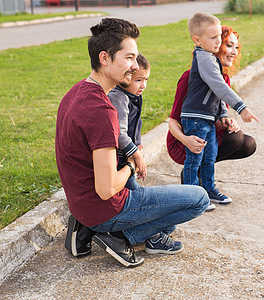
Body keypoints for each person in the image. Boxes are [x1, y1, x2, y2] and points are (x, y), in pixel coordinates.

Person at [56, 18, 209, 268]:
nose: (135, 66)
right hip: (105, 208)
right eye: (128, 58)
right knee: (199, 199)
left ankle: (95, 227)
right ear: (104, 58)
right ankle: (117, 235)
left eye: (135, 58)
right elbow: (106, 189)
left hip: (83, 204)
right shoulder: (101, 110)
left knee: (164, 208)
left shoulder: (77, 91)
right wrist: (130, 163)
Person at [167, 26, 257, 208]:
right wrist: (186, 140)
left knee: (247, 143)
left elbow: (214, 111)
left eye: (236, 47)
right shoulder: (188, 78)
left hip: (206, 133)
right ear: (215, 46)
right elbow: (173, 121)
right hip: (184, 141)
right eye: (229, 45)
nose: (234, 52)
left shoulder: (224, 78)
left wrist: (226, 121)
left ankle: (206, 187)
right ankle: (191, 185)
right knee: (236, 140)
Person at [107, 53, 150, 191]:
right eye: (138, 80)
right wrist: (137, 155)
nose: (143, 85)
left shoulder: (133, 95)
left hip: (128, 154)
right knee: (135, 194)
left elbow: (134, 123)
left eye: (146, 79)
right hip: (119, 161)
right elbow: (119, 134)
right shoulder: (119, 97)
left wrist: (137, 144)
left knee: (132, 190)